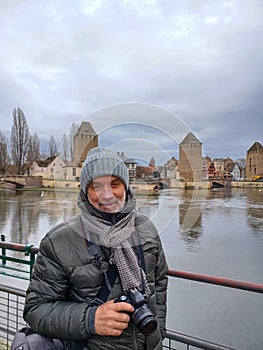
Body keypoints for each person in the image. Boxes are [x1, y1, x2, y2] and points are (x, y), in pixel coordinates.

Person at [23, 147, 168, 350]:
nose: (107, 195)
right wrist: (90, 319)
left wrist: (157, 330)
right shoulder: (59, 241)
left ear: (126, 187)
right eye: (96, 186)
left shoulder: (146, 229)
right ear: (85, 191)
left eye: (114, 184)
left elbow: (159, 283)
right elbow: (35, 310)